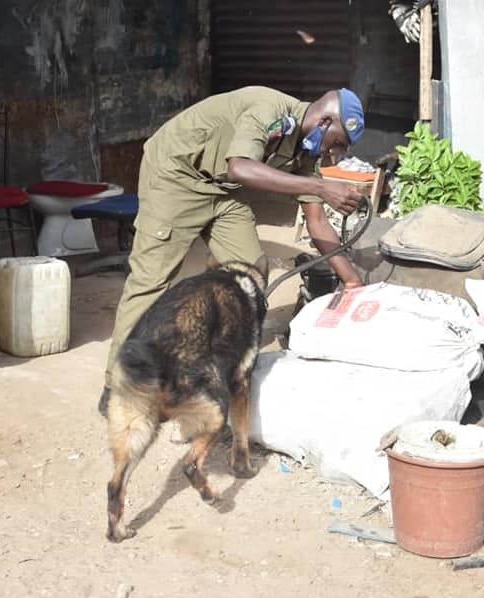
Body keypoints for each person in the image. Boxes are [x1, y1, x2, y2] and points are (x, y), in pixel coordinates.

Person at [99, 85, 367, 415]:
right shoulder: (269, 107)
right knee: (150, 283)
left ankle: (208, 374)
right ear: (325, 121)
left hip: (224, 191)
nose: (334, 154)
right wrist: (321, 186)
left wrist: (353, 282)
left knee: (250, 281)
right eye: (338, 143)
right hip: (176, 175)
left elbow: (318, 222)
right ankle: (119, 387)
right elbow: (239, 166)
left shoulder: (306, 152)